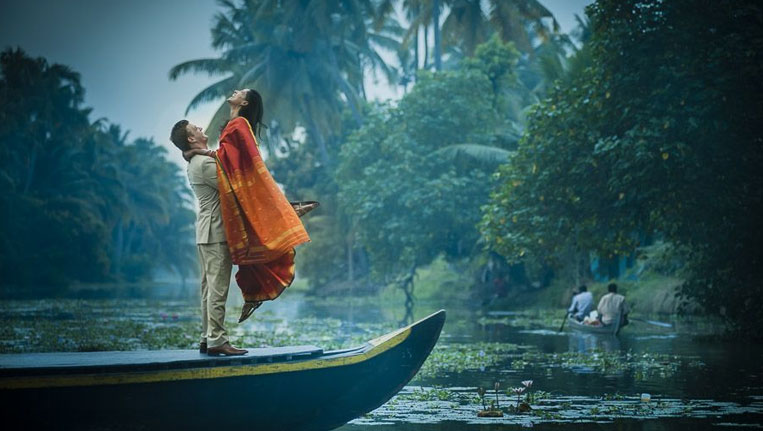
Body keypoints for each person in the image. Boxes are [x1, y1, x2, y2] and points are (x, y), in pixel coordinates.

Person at [184, 88, 312, 323]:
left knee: (254, 237)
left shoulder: (239, 124)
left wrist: (198, 151)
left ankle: (284, 212)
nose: (235, 91)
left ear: (244, 102)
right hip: (236, 186)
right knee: (252, 245)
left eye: (241, 91)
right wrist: (200, 151)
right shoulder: (235, 124)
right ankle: (253, 295)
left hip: (240, 186)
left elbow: (245, 163)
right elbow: (227, 156)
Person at [170, 120, 247, 356]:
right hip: (215, 233)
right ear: (191, 139)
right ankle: (217, 340)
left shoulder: (197, 159)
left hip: (206, 232)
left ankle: (207, 337)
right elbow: (233, 185)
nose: (201, 128)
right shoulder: (203, 163)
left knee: (208, 289)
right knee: (218, 289)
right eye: (196, 129)